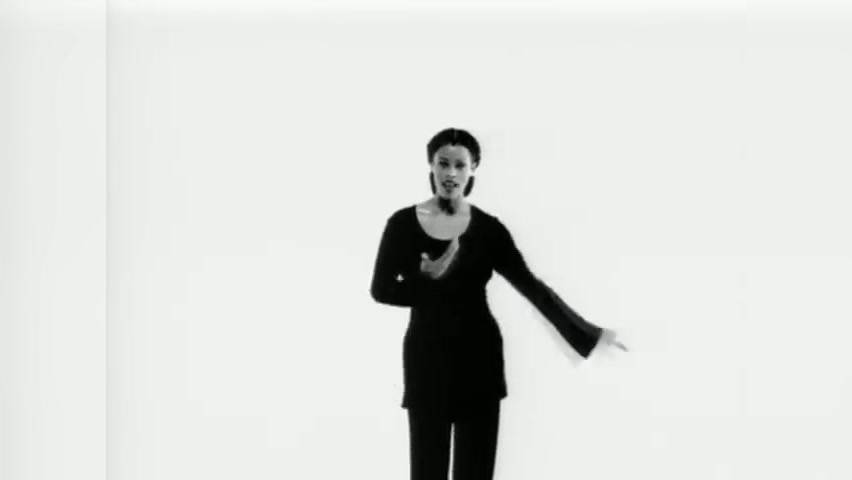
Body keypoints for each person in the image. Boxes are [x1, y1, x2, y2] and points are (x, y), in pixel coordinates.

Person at [369, 127, 627, 480]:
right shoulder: (402, 224)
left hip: (480, 361)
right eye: (443, 163)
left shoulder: (488, 230)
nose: (450, 173)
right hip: (427, 360)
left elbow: (531, 287)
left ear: (473, 168)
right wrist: (428, 281)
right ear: (430, 165)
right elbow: (381, 290)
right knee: (427, 471)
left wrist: (591, 336)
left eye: (460, 165)